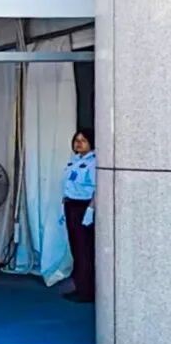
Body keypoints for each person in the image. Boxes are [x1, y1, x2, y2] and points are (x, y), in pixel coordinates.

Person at [62, 128, 96, 303]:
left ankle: (87, 291)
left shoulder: (94, 162)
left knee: (84, 250)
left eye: (83, 140)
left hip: (84, 207)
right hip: (71, 206)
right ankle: (79, 286)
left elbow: (98, 189)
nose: (79, 143)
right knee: (75, 247)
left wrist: (90, 210)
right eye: (76, 140)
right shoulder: (74, 160)